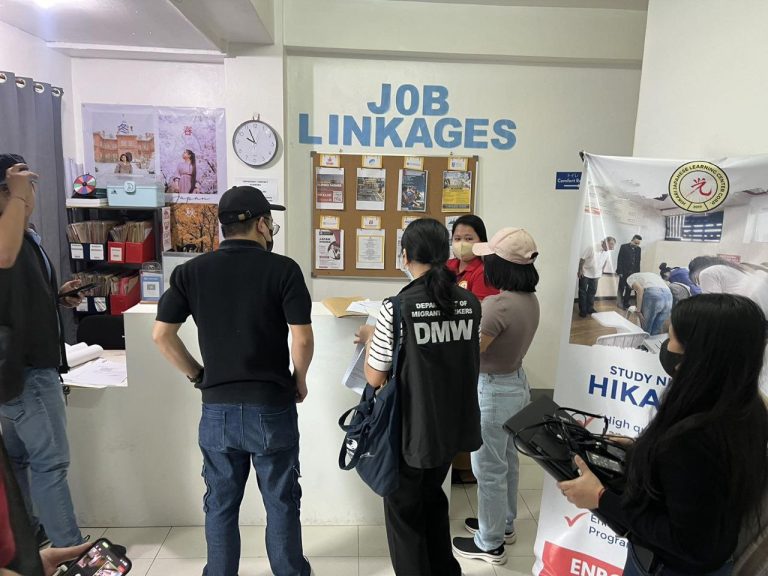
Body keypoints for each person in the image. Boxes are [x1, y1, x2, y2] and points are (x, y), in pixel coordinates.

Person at [153, 186, 314, 576]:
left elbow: (161, 335)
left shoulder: (190, 272)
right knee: (281, 501)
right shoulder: (283, 270)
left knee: (220, 504)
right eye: (270, 221)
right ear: (261, 224)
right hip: (271, 406)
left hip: (217, 410)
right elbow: (303, 338)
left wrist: (198, 375)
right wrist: (299, 379)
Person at [559, 294, 768, 576]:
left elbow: (689, 541)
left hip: (669, 567)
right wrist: (644, 449)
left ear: (698, 354)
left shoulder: (693, 438)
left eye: (671, 337)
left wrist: (600, 497)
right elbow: (702, 488)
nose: (666, 347)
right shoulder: (746, 406)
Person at [355, 218, 482, 576]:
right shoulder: (470, 303)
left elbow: (374, 376)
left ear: (406, 255)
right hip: (452, 424)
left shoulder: (397, 307)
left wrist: (371, 338)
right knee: (432, 498)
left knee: (404, 511)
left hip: (410, 428)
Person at [0, 154, 85, 549]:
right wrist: (16, 198)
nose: (28, 194)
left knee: (18, 460)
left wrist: (55, 297)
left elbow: (13, 300)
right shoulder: (8, 240)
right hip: (27, 372)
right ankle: (69, 551)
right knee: (50, 465)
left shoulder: (26, 237)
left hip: (18, 373)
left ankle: (27, 539)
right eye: (19, 187)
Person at [451, 228, 541, 566]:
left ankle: (489, 544)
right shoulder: (528, 299)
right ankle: (503, 525)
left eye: (488, 259)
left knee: (488, 468)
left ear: (501, 265)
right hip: (516, 383)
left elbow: (472, 354)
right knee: (508, 460)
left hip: (492, 389)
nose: (484, 264)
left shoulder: (498, 305)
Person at [688, 256, 768, 316]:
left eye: (698, 282)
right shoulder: (736, 270)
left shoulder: (706, 273)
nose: (700, 286)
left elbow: (713, 309)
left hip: (751, 315)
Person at [446, 215, 499, 301]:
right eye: (457, 239)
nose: (462, 244)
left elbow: (480, 307)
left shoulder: (485, 271)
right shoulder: (447, 265)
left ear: (481, 241)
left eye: (468, 239)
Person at [577, 236, 616, 317]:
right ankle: (583, 310)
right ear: (605, 242)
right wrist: (580, 270)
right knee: (583, 292)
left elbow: (605, 261)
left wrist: (602, 271)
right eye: (610, 245)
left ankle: (590, 308)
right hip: (585, 273)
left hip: (596, 275)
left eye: (612, 246)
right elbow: (582, 259)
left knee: (592, 292)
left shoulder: (607, 251)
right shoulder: (592, 247)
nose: (611, 248)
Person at [616, 235, 642, 309]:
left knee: (629, 288)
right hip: (623, 271)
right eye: (636, 243)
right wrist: (620, 271)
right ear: (632, 240)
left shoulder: (639, 249)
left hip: (633, 273)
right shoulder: (624, 247)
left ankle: (626, 303)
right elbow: (620, 259)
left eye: (638, 244)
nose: (637, 245)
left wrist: (637, 274)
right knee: (621, 288)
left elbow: (638, 262)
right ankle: (619, 303)